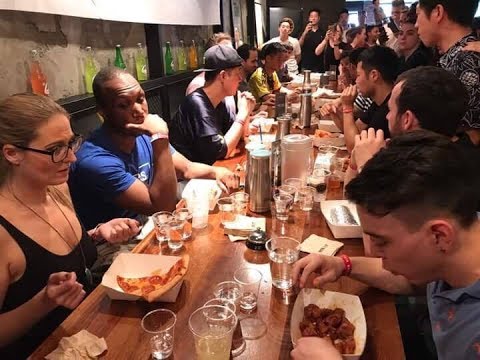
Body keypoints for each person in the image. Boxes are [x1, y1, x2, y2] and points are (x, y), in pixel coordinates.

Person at [291, 130, 480, 360]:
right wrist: (342, 264)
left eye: (382, 241)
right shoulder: (458, 243)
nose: (376, 252)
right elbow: (406, 278)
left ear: (439, 236)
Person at [0, 94, 139, 359]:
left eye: (71, 143)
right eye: (55, 150)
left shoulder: (56, 188)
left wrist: (99, 232)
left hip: (91, 331)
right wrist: (44, 302)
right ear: (12, 153)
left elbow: (50, 253)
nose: (72, 158)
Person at [69, 66, 240, 230]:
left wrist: (217, 172)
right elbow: (162, 207)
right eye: (123, 105)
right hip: (117, 242)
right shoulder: (95, 159)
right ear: (103, 112)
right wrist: (159, 138)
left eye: (140, 99)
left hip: (151, 223)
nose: (138, 111)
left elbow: (187, 168)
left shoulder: (141, 133)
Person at [350, 66, 469, 175]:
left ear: (407, 119)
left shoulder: (434, 172)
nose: (387, 116)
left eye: (390, 110)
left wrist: (367, 165)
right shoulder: (435, 149)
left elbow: (369, 197)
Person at [167, 45, 256, 166]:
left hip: (210, 169)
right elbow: (222, 151)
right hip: (188, 179)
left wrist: (245, 109)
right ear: (223, 76)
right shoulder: (197, 103)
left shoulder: (221, 100)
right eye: (237, 73)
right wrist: (242, 114)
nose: (240, 79)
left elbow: (238, 137)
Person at [416, 0, 480, 145]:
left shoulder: (467, 60)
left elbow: (472, 136)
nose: (416, 24)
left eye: (418, 15)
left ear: (437, 12)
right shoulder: (452, 57)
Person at [327, 46, 399, 151]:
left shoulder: (388, 110)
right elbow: (355, 130)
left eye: (358, 75)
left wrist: (347, 107)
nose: (356, 81)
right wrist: (334, 113)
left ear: (374, 75)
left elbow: (355, 149)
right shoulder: (378, 103)